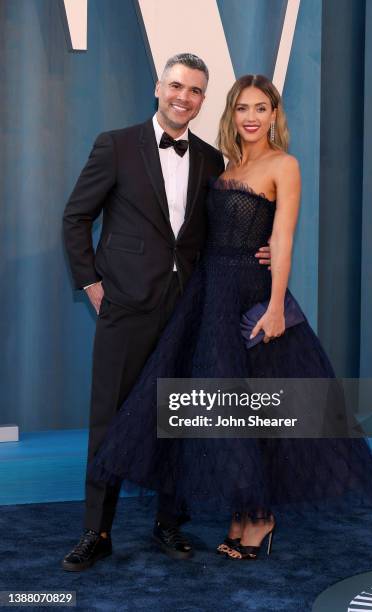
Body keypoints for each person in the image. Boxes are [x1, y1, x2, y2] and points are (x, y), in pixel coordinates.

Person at [87, 74, 372, 562]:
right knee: (223, 412)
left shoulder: (284, 165)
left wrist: (274, 307)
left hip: (250, 300)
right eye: (242, 107)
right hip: (207, 297)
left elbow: (282, 238)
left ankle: (261, 517)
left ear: (274, 115)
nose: (251, 117)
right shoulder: (223, 165)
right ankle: (242, 511)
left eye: (261, 108)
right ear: (231, 113)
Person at [61, 55, 271, 571]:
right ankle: (97, 530)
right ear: (159, 87)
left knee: (177, 418)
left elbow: (223, 231)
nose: (184, 97)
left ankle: (169, 523)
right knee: (108, 418)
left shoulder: (210, 160)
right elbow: (76, 216)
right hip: (126, 306)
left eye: (196, 90)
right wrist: (91, 282)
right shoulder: (115, 144)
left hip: (188, 310)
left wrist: (261, 252)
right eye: (176, 85)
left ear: (203, 99)